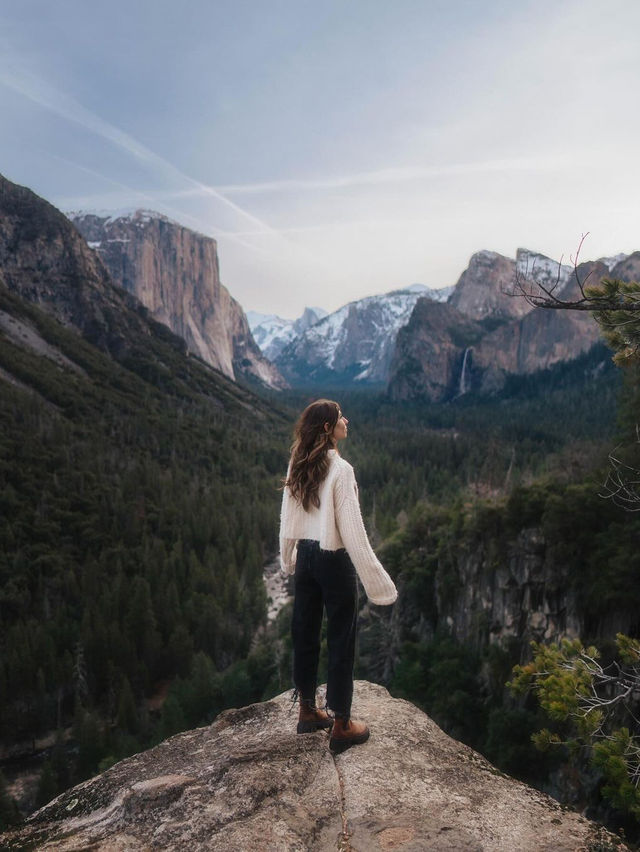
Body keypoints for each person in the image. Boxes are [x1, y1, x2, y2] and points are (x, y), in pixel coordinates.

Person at [279, 399, 397, 752]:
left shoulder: (298, 462)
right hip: (334, 559)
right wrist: (378, 583)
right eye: (339, 416)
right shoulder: (341, 470)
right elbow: (353, 532)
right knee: (341, 637)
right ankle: (342, 723)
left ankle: (307, 710)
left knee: (305, 630)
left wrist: (288, 558)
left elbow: (288, 517)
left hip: (307, 558)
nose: (346, 420)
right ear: (329, 429)